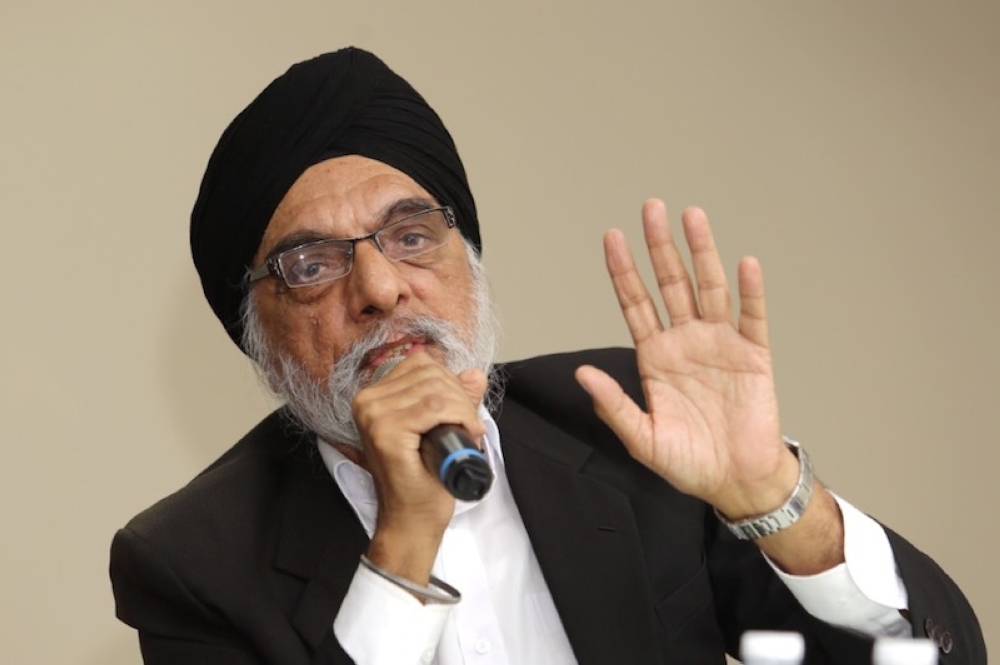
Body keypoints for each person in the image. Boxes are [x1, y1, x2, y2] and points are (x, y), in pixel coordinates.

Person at [109, 47, 985, 664]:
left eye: (411, 235)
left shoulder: (621, 423)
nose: (379, 287)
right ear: (259, 336)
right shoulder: (189, 562)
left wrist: (774, 500)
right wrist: (405, 541)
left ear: (470, 264)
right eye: (312, 265)